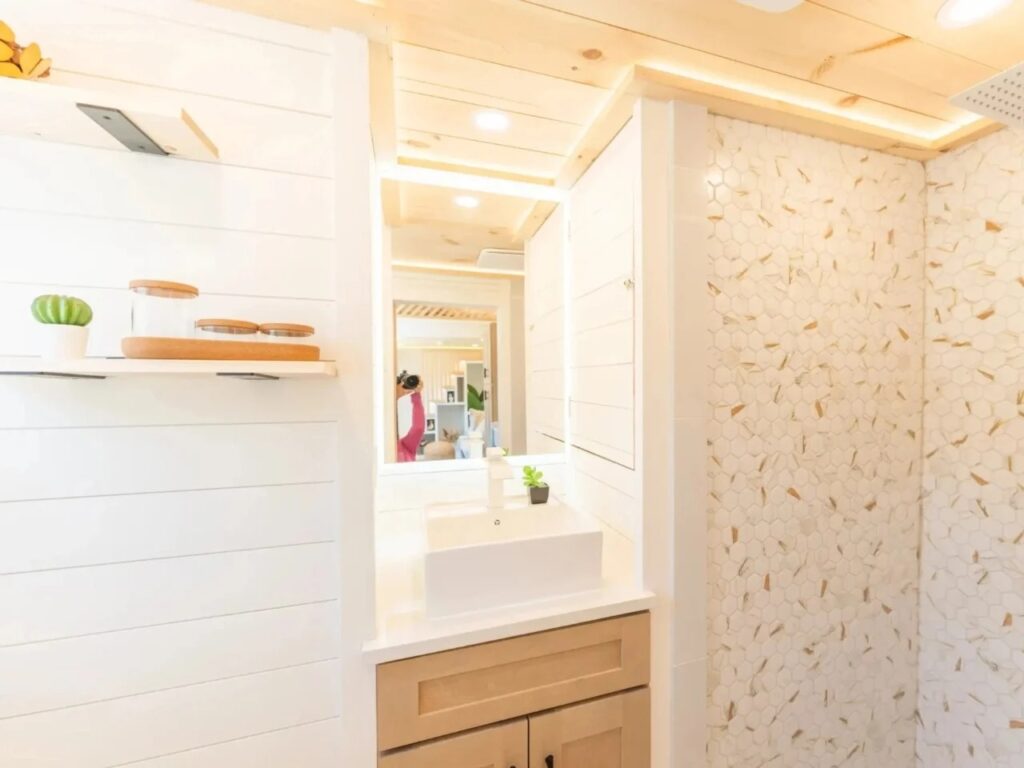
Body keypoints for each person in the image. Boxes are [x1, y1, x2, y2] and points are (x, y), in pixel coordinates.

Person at [396, 379, 425, 462]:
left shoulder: (404, 447)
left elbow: (418, 428)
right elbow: (419, 428)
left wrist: (416, 394)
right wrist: (417, 396)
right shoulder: (405, 447)